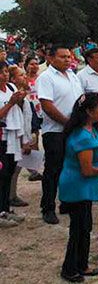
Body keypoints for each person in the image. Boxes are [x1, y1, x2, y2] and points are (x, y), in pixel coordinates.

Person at [58, 92, 98, 282]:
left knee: (84, 226)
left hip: (83, 187)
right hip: (77, 186)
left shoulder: (91, 129)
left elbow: (96, 151)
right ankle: (70, 268)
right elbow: (87, 170)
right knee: (79, 228)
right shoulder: (82, 135)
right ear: (89, 112)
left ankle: (82, 264)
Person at [36, 45, 84, 224]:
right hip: (55, 131)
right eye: (62, 57)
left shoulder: (72, 75)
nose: (67, 60)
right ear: (51, 58)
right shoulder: (46, 78)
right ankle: (47, 207)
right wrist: (67, 123)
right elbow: (47, 105)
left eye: (69, 57)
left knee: (70, 169)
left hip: (74, 130)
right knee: (53, 170)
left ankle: (66, 202)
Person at [0, 62, 27, 228]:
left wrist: (20, 99)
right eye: (2, 72)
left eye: (5, 72)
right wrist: (10, 103)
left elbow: (19, 109)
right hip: (1, 137)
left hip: (12, 136)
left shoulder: (10, 87)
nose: (5, 75)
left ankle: (6, 208)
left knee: (9, 172)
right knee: (1, 175)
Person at [8, 66, 36, 208]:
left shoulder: (23, 95)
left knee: (16, 168)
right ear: (12, 79)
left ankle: (11, 195)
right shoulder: (12, 96)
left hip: (22, 135)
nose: (24, 76)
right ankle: (10, 197)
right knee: (11, 169)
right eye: (20, 75)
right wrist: (22, 140)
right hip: (12, 137)